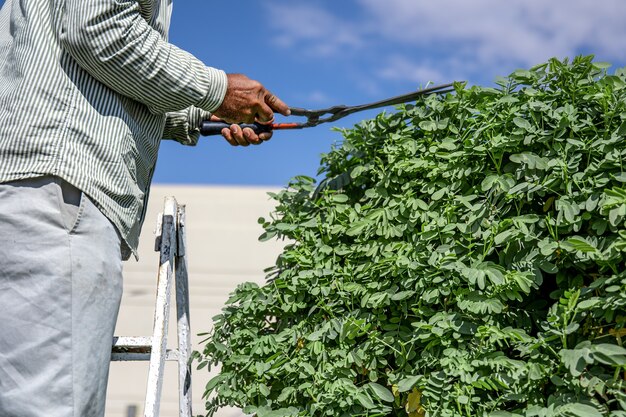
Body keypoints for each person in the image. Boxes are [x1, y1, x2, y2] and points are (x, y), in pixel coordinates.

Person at [0, 1, 289, 416]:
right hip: (61, 191)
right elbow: (97, 28)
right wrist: (219, 89)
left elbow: (103, 69)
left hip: (30, 188)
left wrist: (206, 111)